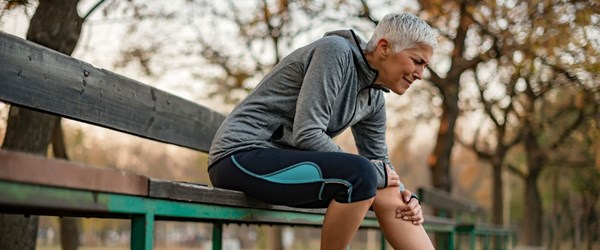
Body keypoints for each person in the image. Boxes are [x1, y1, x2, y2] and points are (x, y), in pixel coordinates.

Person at [208, 13, 437, 250]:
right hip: (239, 157)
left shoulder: (374, 97)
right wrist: (374, 172)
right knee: (362, 174)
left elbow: (380, 162)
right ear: (384, 47)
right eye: (417, 61)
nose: (420, 74)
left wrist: (407, 197)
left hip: (286, 166)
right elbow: (307, 133)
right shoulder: (334, 52)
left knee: (384, 187)